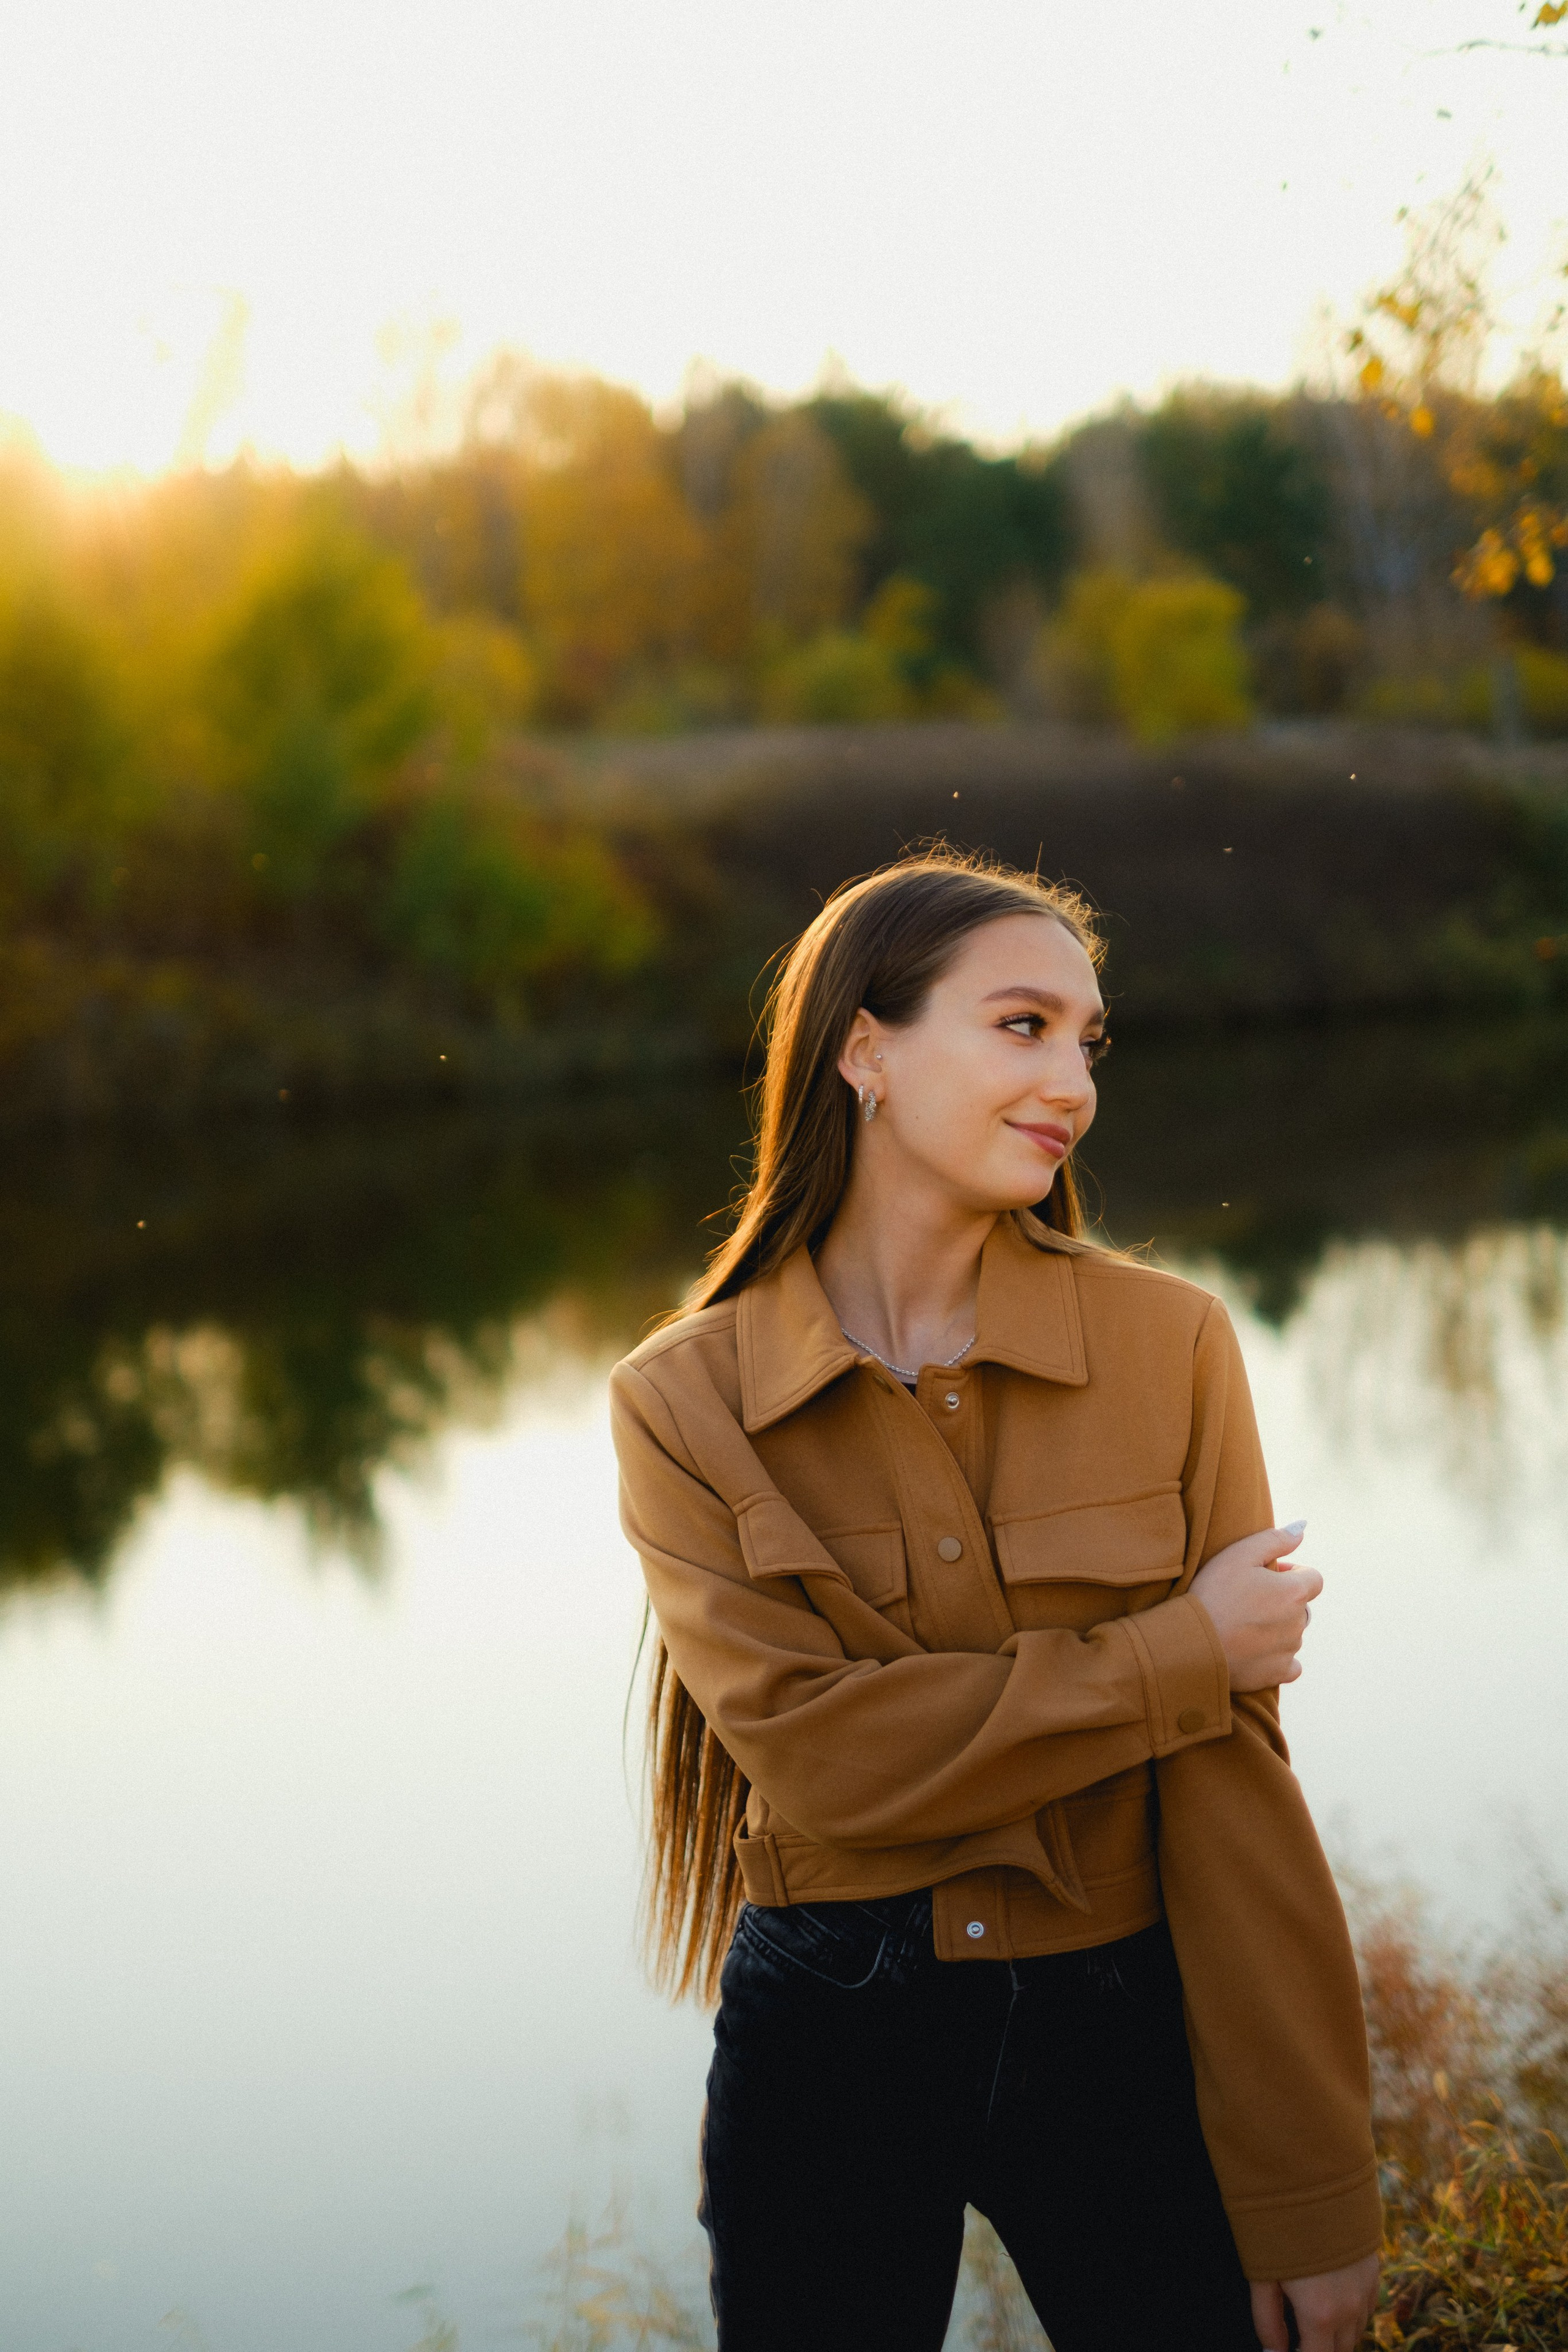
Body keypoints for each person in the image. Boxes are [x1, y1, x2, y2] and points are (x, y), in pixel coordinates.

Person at [610, 852, 1382, 2352]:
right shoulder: (680, 1402)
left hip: (1126, 2022)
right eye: (1022, 1027)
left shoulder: (1171, 1345)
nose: (1073, 1082)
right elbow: (822, 1762)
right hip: (822, 2041)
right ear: (863, 1049)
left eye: (1087, 1040)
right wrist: (1179, 1652)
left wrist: (1309, 2187)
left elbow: (1230, 1791)